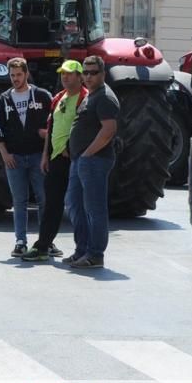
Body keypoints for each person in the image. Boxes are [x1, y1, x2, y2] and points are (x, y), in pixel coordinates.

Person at [22, 60, 88, 261]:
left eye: (69, 74)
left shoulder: (85, 98)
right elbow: (51, 128)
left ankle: (83, 250)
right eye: (62, 74)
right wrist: (45, 155)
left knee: (79, 206)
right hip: (55, 158)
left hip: (74, 159)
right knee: (52, 204)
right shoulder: (59, 98)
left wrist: (72, 148)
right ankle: (43, 246)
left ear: (79, 76)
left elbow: (86, 128)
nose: (65, 77)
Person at [0, 57, 53, 257]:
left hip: (38, 157)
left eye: (19, 75)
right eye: (12, 75)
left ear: (26, 74)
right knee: (19, 201)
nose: (15, 79)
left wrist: (45, 153)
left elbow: (54, 124)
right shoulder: (4, 99)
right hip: (14, 159)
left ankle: (46, 241)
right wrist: (5, 155)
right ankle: (20, 241)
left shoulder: (42, 96)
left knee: (45, 199)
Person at [65, 55, 120, 269]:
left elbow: (109, 130)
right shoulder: (92, 95)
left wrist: (87, 154)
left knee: (94, 209)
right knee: (75, 205)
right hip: (81, 161)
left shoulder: (105, 97)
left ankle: (95, 254)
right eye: (85, 72)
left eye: (93, 72)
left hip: (94, 161)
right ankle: (82, 250)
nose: (88, 76)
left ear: (103, 74)